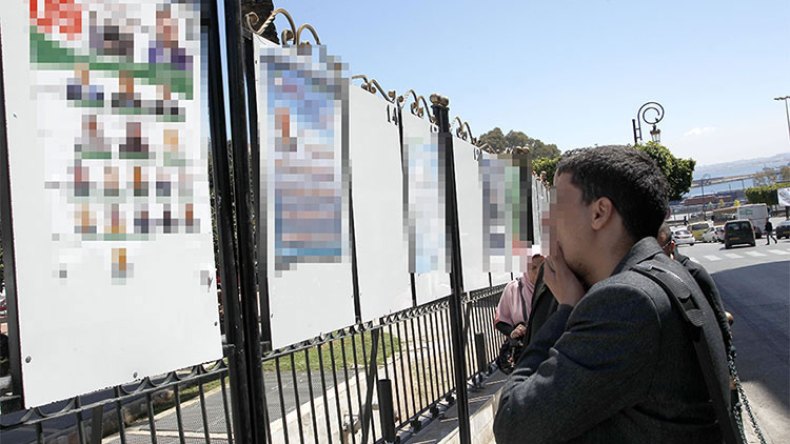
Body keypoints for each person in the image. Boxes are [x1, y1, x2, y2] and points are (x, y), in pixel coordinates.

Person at [494, 146, 731, 443]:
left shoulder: (626, 302)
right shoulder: (670, 274)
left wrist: (566, 309)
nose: (549, 223)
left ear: (599, 213)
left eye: (557, 207)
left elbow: (515, 425)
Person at [494, 254, 545, 339]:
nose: (539, 271)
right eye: (534, 268)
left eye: (543, 266)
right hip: (525, 347)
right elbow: (500, 322)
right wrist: (513, 332)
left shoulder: (555, 287)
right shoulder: (513, 289)